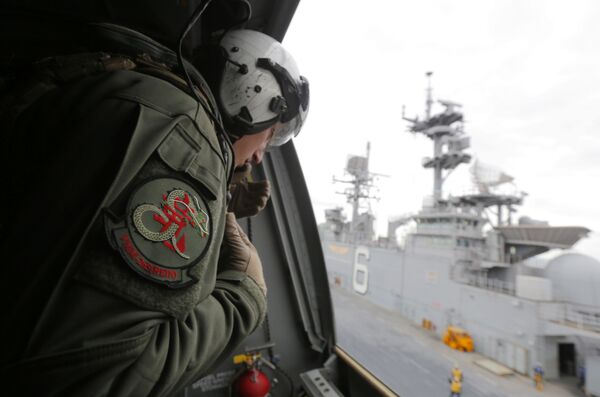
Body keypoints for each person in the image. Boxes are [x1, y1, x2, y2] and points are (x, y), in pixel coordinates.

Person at [0, 3, 309, 396]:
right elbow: (106, 375)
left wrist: (222, 200)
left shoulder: (131, 88)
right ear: (253, 96)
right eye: (270, 135)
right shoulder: (187, 138)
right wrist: (245, 295)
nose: (262, 154)